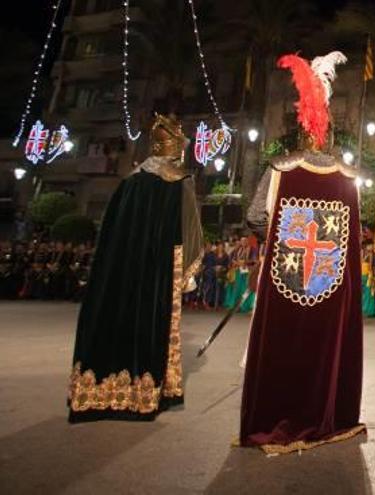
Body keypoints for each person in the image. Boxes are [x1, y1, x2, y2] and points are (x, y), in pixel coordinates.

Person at [240, 50, 364, 453]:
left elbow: (256, 217)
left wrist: (279, 235)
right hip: (329, 293)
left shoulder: (280, 171)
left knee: (282, 353)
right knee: (321, 354)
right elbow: (352, 239)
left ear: (303, 129)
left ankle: (276, 416)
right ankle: (325, 414)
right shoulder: (348, 180)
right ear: (328, 134)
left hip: (285, 286)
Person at [67, 114, 203, 422]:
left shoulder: (129, 181)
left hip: (121, 270)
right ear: (176, 148)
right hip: (158, 269)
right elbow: (189, 231)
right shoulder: (178, 179)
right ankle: (144, 392)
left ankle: (101, 392)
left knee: (118, 317)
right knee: (151, 322)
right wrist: (186, 275)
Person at [224, 236, 256, 313]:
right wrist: (235, 262)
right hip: (238, 271)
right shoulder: (238, 249)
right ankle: (236, 306)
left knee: (245, 289)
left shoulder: (252, 250)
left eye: (245, 241)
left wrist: (245, 262)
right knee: (237, 289)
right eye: (242, 241)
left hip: (247, 272)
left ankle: (245, 306)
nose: (243, 242)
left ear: (247, 241)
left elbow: (254, 260)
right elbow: (233, 259)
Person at [361, 239, 375, 317]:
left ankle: (363, 309)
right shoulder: (370, 254)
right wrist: (372, 274)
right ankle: (365, 310)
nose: (372, 247)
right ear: (367, 246)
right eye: (371, 245)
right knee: (368, 292)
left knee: (363, 292)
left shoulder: (361, 252)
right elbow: (370, 266)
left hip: (361, 274)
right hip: (367, 274)